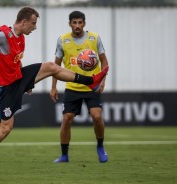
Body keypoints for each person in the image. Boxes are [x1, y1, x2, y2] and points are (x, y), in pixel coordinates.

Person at [0, 7, 108, 176]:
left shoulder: (21, 38)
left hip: (16, 80)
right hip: (3, 89)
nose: (34, 27)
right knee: (5, 129)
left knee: (51, 66)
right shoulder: (4, 33)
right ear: (24, 21)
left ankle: (91, 81)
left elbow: (16, 62)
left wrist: (26, 84)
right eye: (33, 23)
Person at [50, 11, 109, 163]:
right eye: (74, 22)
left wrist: (102, 80)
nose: (77, 26)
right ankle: (64, 155)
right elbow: (55, 66)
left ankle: (100, 147)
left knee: (97, 116)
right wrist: (53, 87)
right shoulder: (63, 40)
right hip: (72, 86)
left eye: (80, 22)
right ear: (69, 23)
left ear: (84, 23)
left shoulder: (94, 38)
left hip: (92, 86)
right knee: (66, 119)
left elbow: (104, 61)